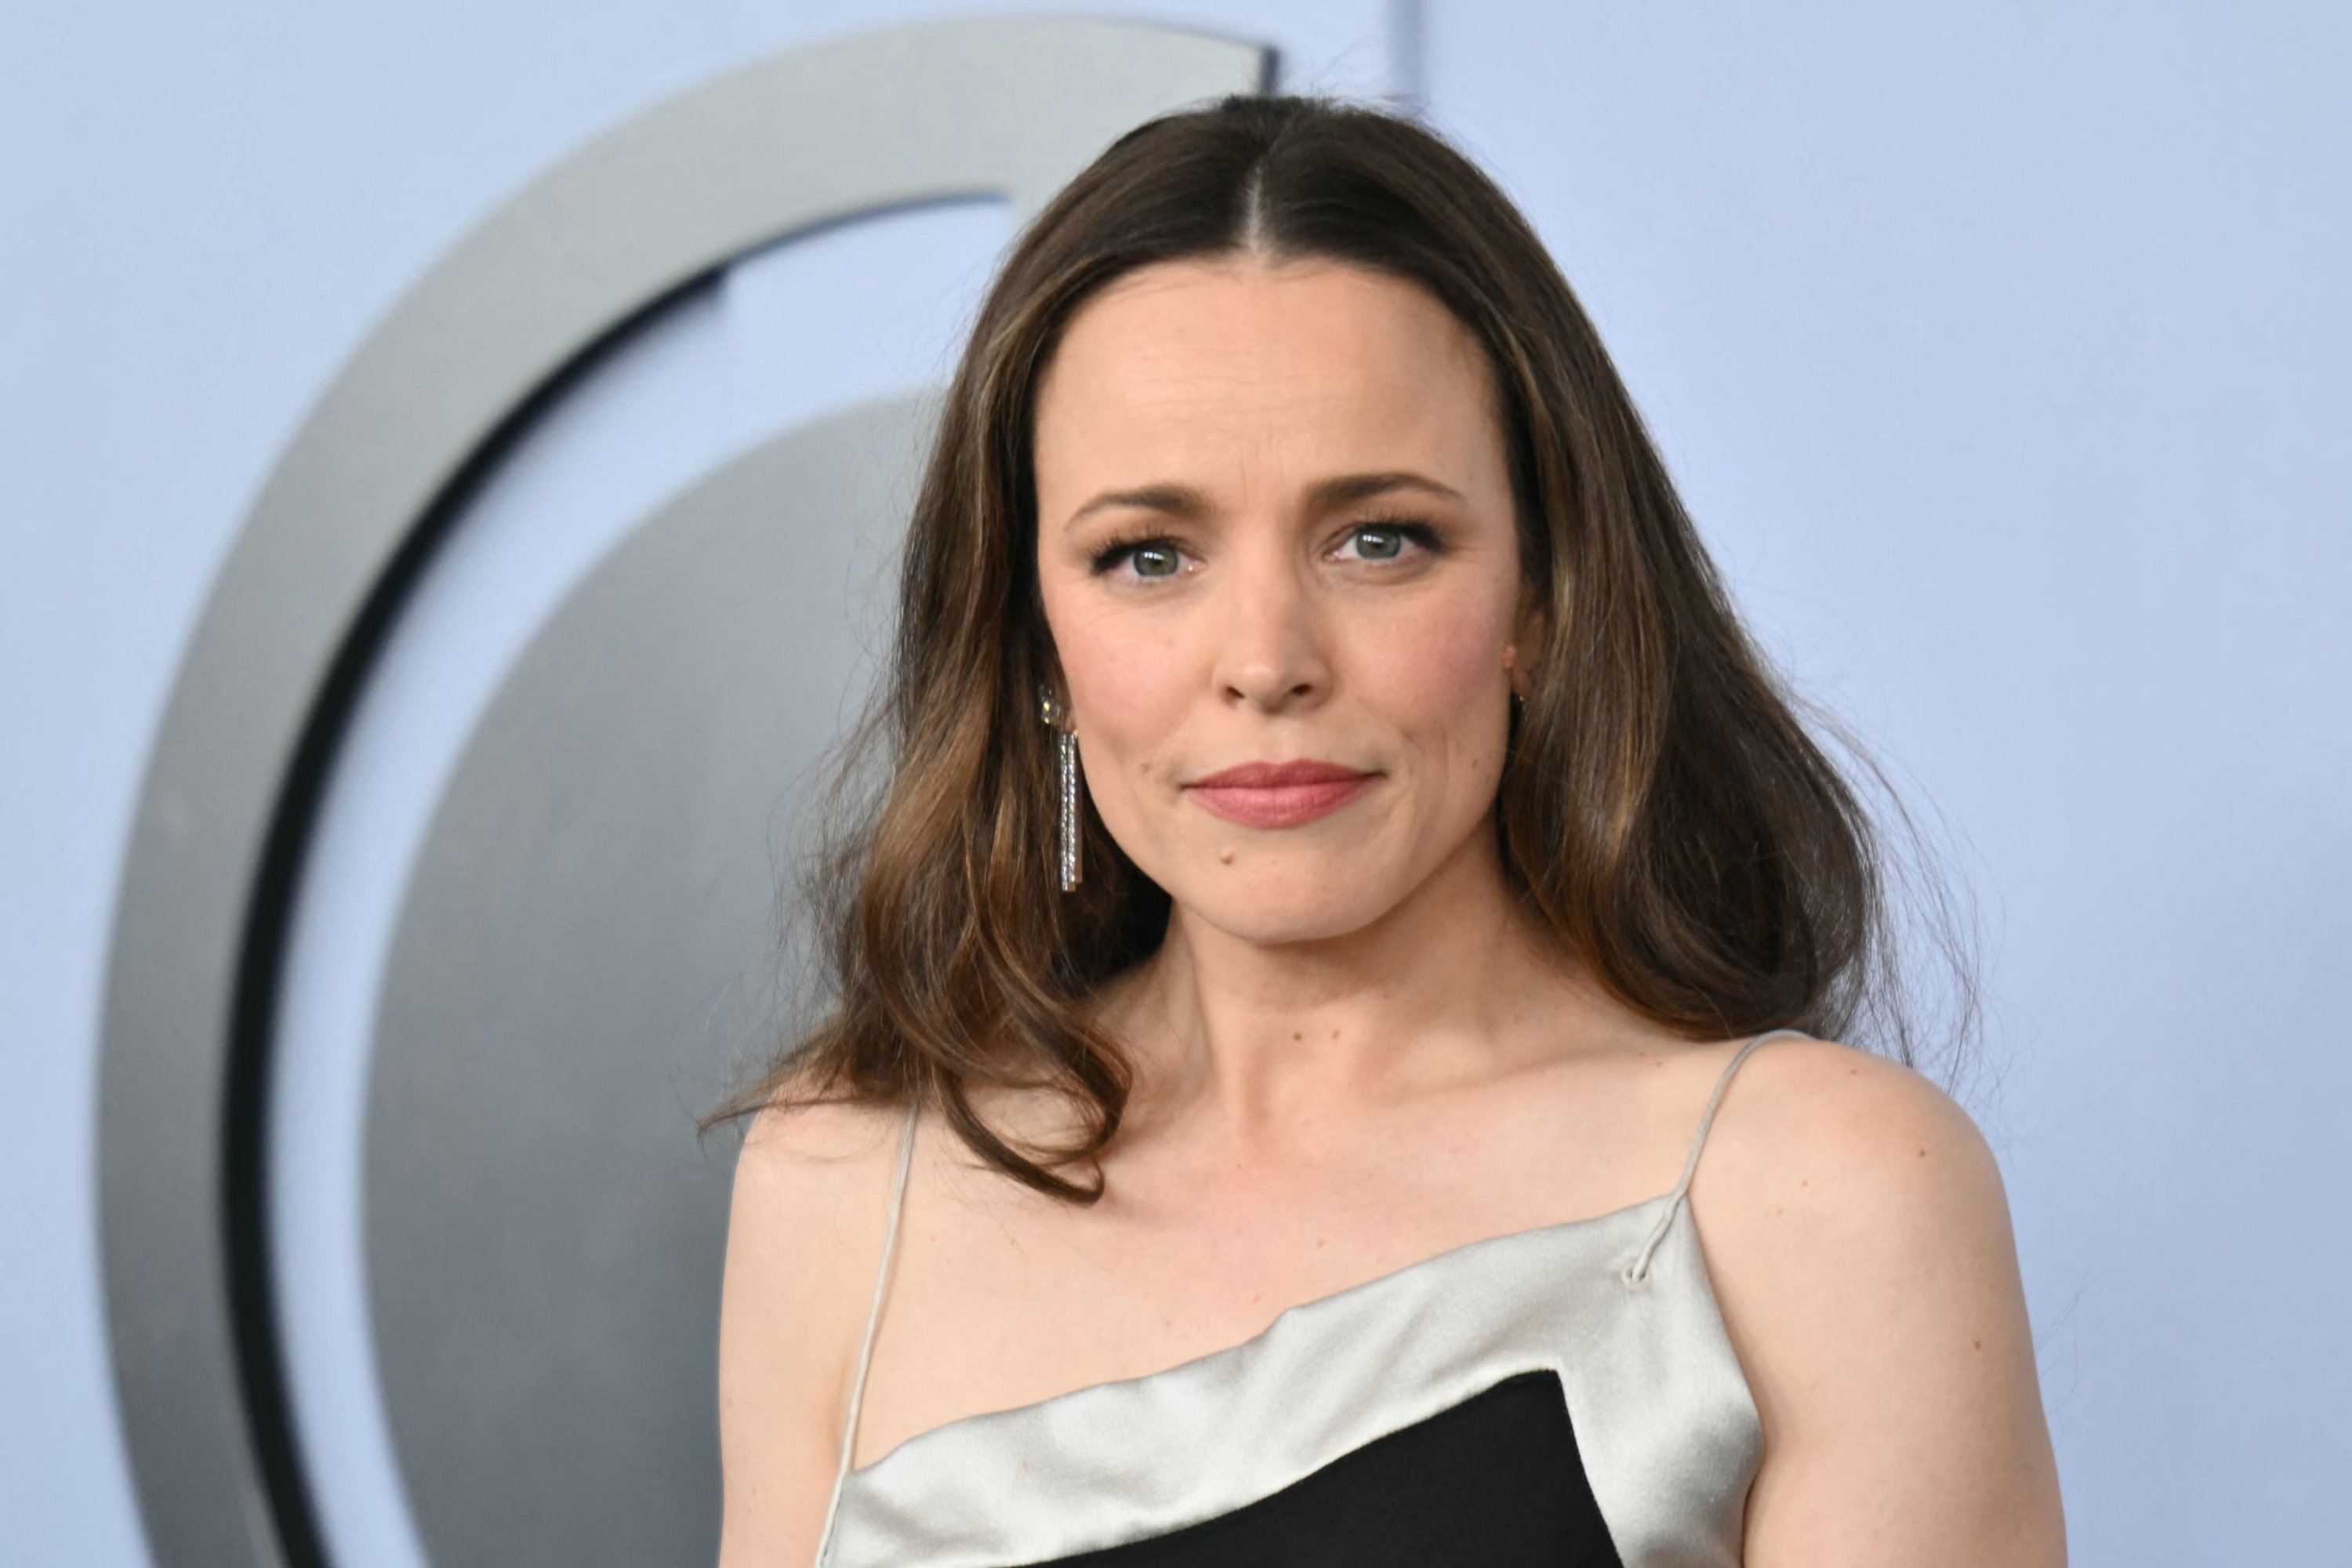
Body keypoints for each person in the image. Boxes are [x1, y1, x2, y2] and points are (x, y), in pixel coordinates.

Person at [713, 94, 2064, 1567]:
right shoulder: (848, 1184)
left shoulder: (1817, 1195)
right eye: (1147, 556)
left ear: (1540, 601)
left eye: (1381, 539)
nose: (1268, 656)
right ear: (1034, 645)